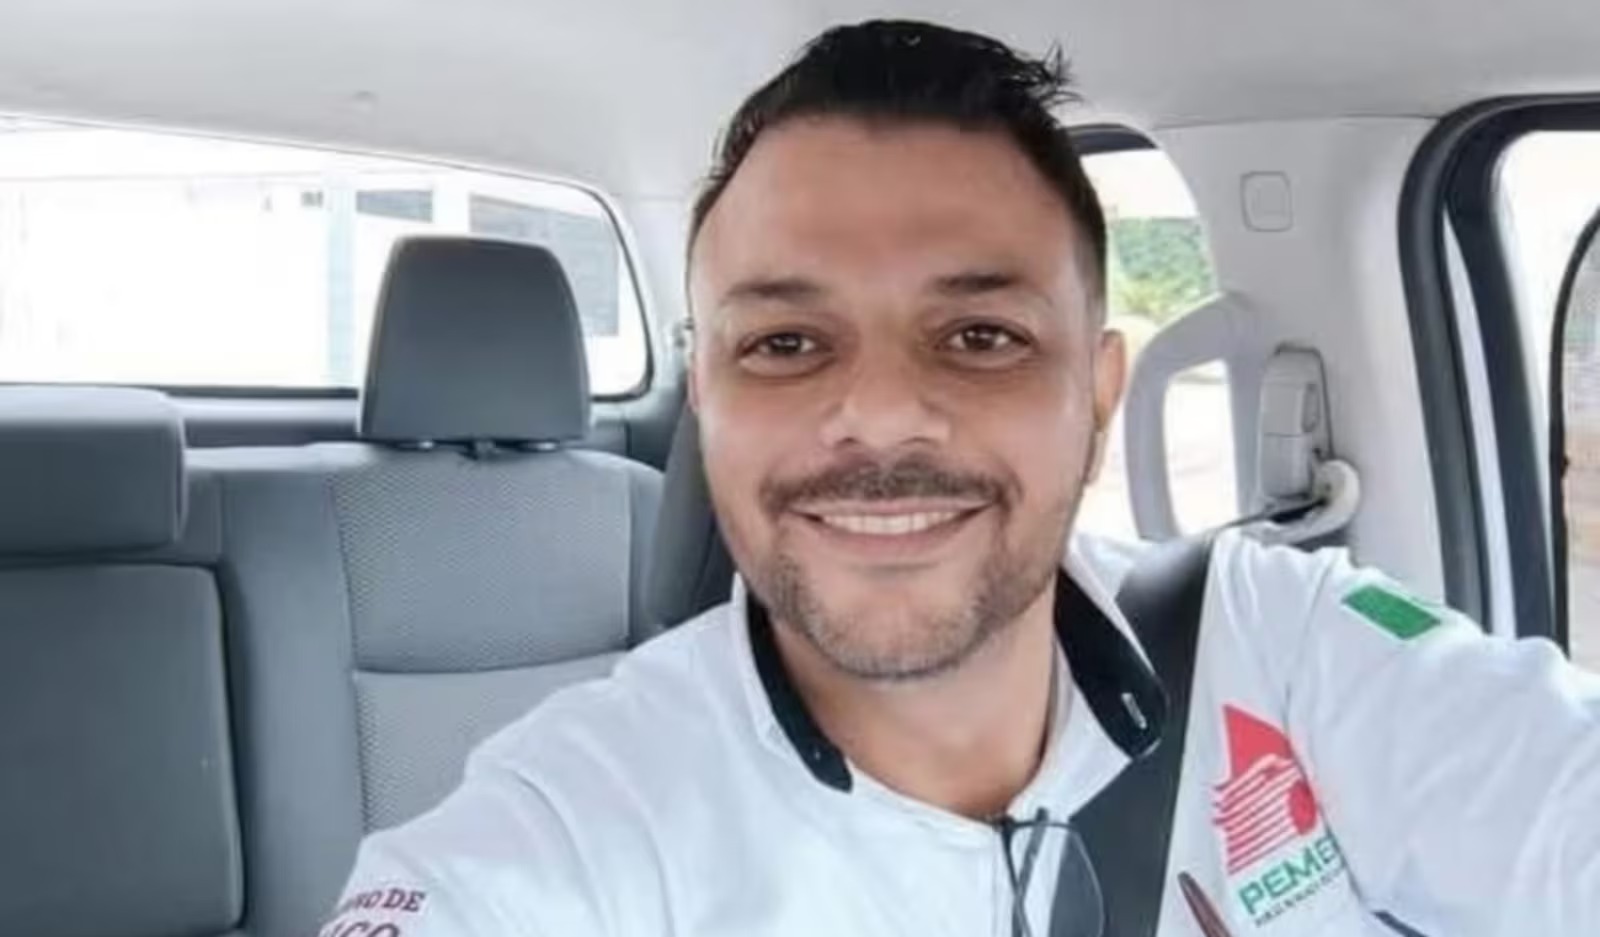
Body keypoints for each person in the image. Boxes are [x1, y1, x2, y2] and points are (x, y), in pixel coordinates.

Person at [318, 20, 1600, 937]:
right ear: (705, 399)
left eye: (981, 335)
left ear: (1096, 395)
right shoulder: (575, 816)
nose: (879, 413)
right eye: (785, 343)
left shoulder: (1288, 645)